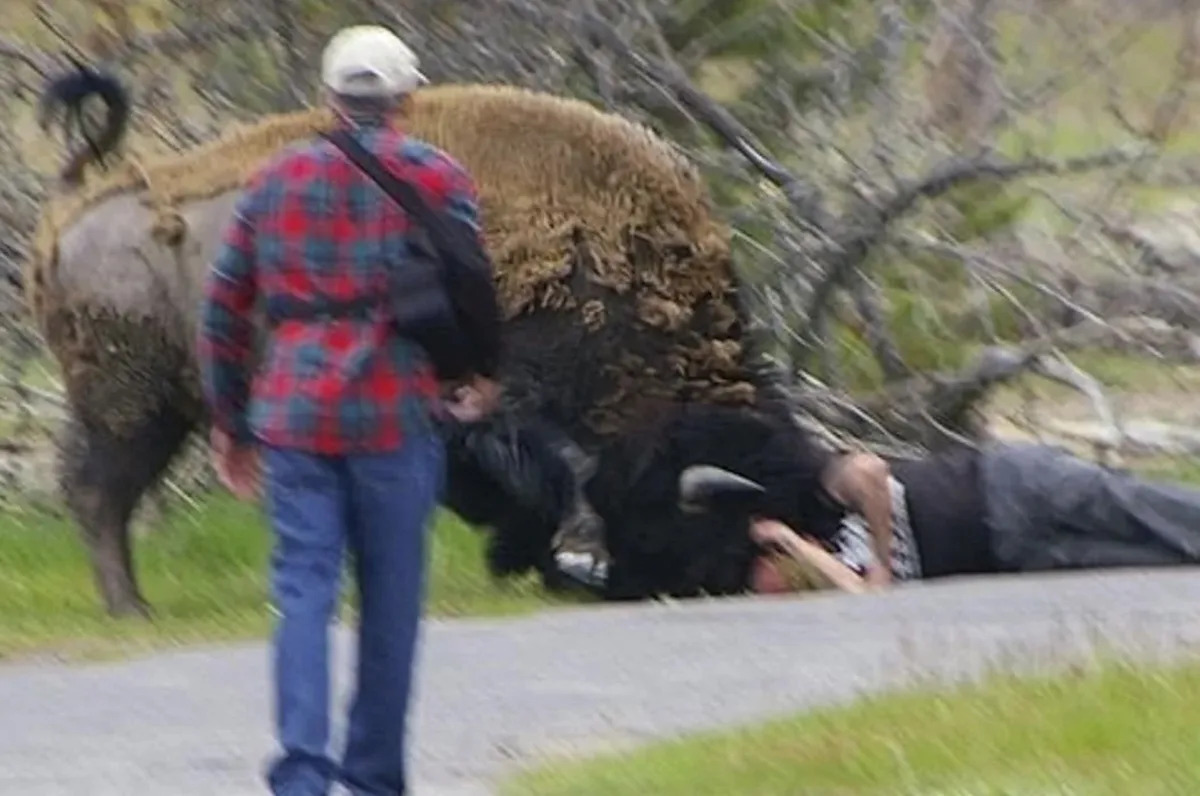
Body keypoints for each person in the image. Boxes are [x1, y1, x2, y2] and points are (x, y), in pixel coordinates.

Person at [197, 24, 503, 796]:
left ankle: (301, 774)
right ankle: (373, 781)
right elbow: (472, 285)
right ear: (408, 99)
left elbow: (222, 310)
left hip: (293, 417)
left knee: (302, 592)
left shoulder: (272, 180)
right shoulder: (438, 177)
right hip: (396, 413)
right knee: (391, 606)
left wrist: (231, 423)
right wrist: (477, 373)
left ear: (328, 99)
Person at [750, 439, 1200, 594]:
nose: (785, 582)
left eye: (777, 569)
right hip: (1014, 554)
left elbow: (869, 471)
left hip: (1006, 486)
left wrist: (884, 559)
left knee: (1140, 507)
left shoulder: (828, 507)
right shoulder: (849, 581)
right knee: (1159, 560)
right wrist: (794, 546)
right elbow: (866, 594)